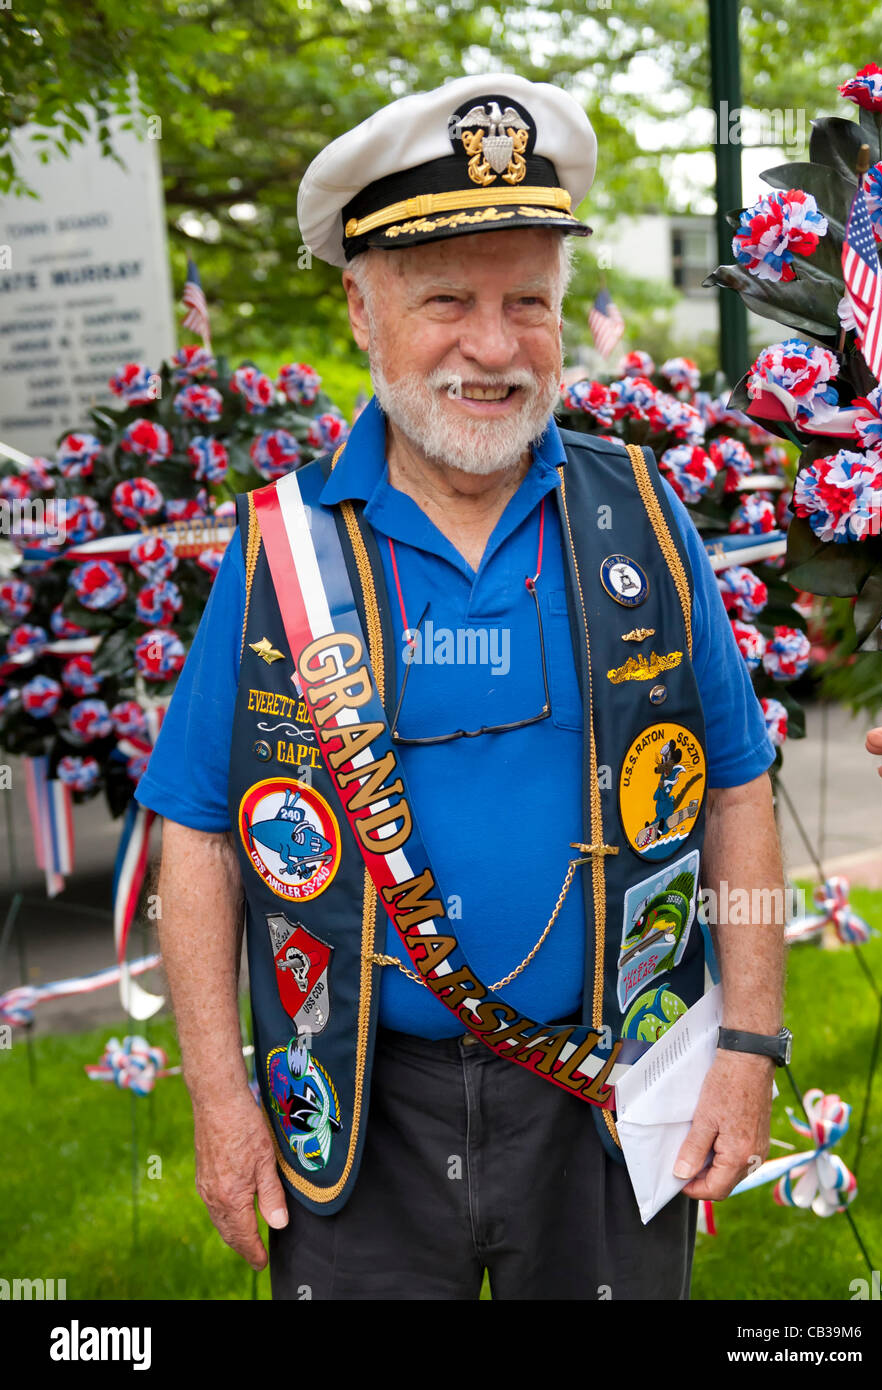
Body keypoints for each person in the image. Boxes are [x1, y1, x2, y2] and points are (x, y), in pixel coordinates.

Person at [136, 73, 788, 1301]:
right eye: (448, 301)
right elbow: (198, 834)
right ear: (359, 307)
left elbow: (740, 793)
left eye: (527, 304)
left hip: (611, 1093)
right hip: (351, 1119)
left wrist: (748, 1046)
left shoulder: (644, 518)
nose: (495, 347)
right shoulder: (284, 548)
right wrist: (221, 1102)